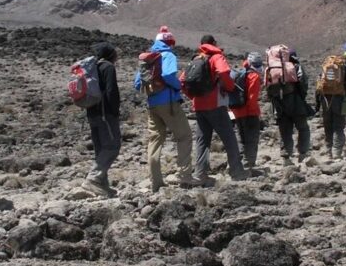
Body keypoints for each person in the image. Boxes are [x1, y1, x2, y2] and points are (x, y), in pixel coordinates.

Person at [182, 35, 248, 185]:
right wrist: (230, 87)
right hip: (215, 105)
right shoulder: (216, 57)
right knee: (229, 138)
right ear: (214, 44)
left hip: (199, 106)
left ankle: (200, 174)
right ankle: (237, 171)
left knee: (202, 140)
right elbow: (224, 72)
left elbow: (182, 81)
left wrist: (192, 97)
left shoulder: (196, 59)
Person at [134, 27, 194, 192]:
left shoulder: (146, 59)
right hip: (168, 103)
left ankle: (156, 181)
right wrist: (178, 86)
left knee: (154, 141)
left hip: (152, 104)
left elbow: (137, 84)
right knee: (184, 136)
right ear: (170, 42)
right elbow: (168, 75)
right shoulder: (167, 55)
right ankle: (185, 176)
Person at [81, 43, 122, 197]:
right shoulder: (108, 67)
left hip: (92, 113)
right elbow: (111, 91)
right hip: (106, 114)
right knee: (113, 146)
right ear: (110, 54)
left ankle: (102, 185)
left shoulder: (93, 68)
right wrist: (115, 111)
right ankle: (92, 179)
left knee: (100, 149)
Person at [271, 49, 312, 164]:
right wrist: (301, 96)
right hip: (296, 102)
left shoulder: (275, 69)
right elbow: (304, 83)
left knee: (285, 131)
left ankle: (286, 157)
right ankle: (303, 154)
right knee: (303, 128)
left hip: (280, 104)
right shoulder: (296, 67)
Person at [230, 52, 264, 170]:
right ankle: (249, 164)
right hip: (249, 113)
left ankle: (237, 162)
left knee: (241, 137)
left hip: (237, 111)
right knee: (252, 138)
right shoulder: (253, 77)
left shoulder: (238, 74)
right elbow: (252, 99)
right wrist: (256, 114)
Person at [316, 54, 346, 160]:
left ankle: (328, 152)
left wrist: (317, 104)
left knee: (328, 126)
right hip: (339, 99)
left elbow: (318, 86)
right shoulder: (344, 67)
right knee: (339, 126)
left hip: (325, 100)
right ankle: (337, 153)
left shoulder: (325, 67)